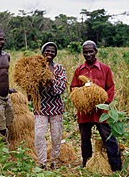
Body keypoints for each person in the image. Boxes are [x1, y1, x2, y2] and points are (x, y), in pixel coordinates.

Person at [70, 40, 122, 171]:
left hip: (101, 111)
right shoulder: (79, 71)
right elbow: (73, 87)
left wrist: (105, 102)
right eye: (85, 52)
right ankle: (87, 164)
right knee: (85, 139)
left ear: (96, 52)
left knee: (108, 137)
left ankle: (116, 166)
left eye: (90, 51)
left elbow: (110, 87)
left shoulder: (105, 69)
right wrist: (82, 98)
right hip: (85, 111)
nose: (88, 54)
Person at [34, 42, 67, 169]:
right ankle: (42, 162)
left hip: (56, 107)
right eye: (47, 50)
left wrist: (50, 78)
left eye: (53, 51)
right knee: (38, 135)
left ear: (55, 54)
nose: (50, 53)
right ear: (42, 52)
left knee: (56, 136)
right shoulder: (36, 68)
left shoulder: (59, 68)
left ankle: (54, 161)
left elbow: (62, 85)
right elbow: (31, 87)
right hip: (41, 107)